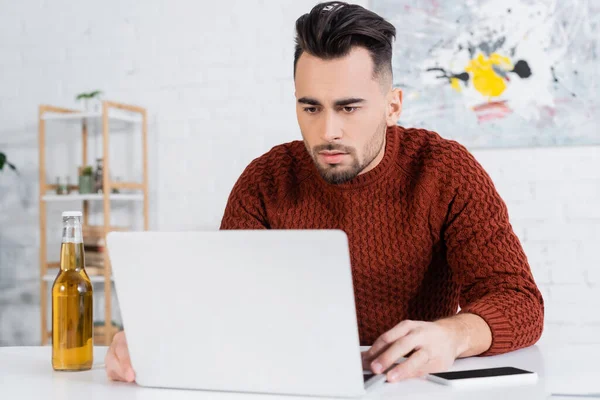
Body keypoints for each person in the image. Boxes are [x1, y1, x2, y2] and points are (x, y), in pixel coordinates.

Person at [106, 1, 544, 384]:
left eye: (349, 108)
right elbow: (226, 305)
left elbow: (520, 301)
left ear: (393, 106)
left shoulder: (444, 170)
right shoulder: (265, 181)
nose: (327, 131)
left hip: (410, 384)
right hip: (290, 381)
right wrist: (153, 337)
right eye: (310, 108)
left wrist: (453, 334)